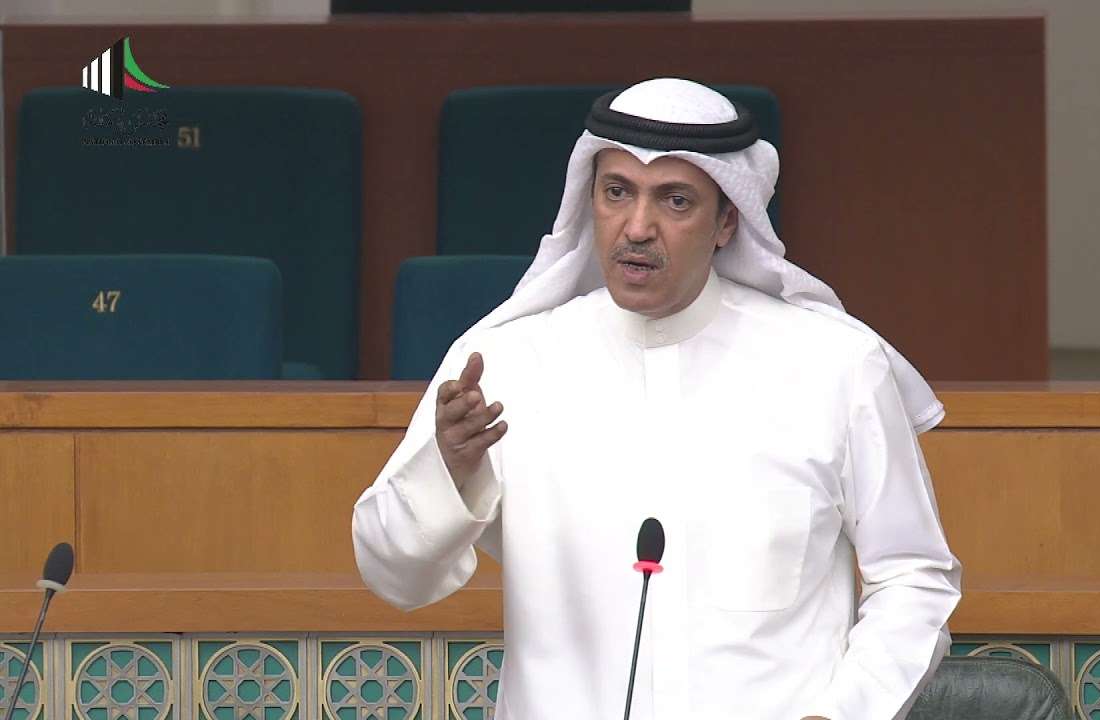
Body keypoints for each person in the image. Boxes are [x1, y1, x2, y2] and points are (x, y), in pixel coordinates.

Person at [352, 77, 961, 720]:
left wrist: (842, 715)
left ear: (727, 221)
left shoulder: (833, 366)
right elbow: (396, 578)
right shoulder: (504, 366)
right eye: (617, 192)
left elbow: (915, 577)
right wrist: (446, 474)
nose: (637, 228)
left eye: (675, 201)